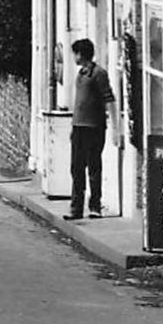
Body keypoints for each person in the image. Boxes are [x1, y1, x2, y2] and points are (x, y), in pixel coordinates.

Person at [68, 38, 116, 220]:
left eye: (75, 53)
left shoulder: (98, 74)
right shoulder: (81, 74)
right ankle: (76, 208)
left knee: (94, 167)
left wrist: (115, 128)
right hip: (78, 126)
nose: (74, 57)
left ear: (81, 54)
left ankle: (95, 206)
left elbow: (109, 98)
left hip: (94, 127)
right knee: (76, 168)